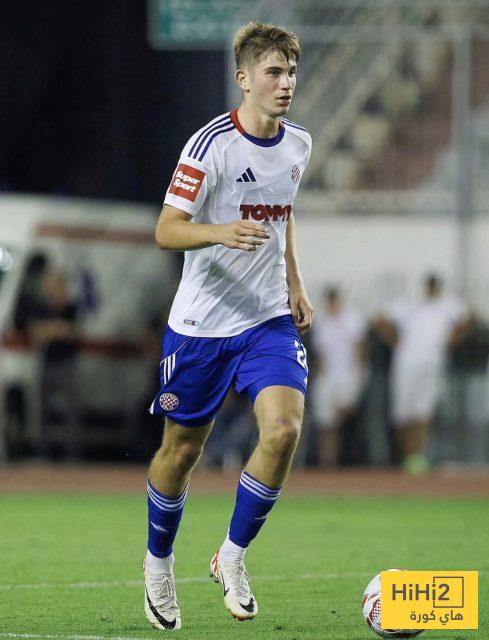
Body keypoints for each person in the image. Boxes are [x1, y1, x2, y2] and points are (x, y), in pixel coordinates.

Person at [143, 22, 312, 631]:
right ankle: (158, 563)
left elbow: (283, 215)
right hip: (201, 325)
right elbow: (166, 230)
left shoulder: (299, 144)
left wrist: (294, 280)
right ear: (244, 78)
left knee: (284, 429)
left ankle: (232, 556)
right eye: (274, 72)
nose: (286, 83)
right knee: (181, 451)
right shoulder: (209, 145)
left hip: (266, 318)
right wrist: (220, 232)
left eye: (291, 72)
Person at [375, 274, 469, 474]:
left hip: (432, 365)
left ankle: (417, 458)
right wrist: (393, 341)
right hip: (405, 365)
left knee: (422, 413)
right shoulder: (411, 304)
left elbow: (467, 319)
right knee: (402, 416)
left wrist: (450, 343)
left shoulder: (448, 305)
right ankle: (406, 456)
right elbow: (379, 319)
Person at [311, 287, 367, 466]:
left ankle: (351, 461)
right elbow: (320, 356)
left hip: (347, 375)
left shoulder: (352, 319)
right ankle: (328, 462)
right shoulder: (322, 323)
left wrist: (359, 376)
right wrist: (318, 379)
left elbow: (360, 350)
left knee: (346, 418)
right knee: (326, 424)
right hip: (328, 378)